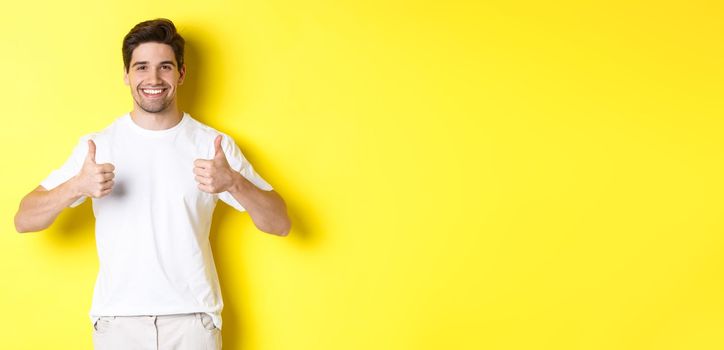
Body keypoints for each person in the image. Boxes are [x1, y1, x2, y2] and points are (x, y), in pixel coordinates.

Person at [13, 18, 291, 349]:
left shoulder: (213, 145)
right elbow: (24, 219)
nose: (153, 79)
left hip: (193, 323)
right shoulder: (97, 146)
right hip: (118, 323)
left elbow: (280, 223)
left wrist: (232, 182)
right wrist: (76, 186)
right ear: (126, 76)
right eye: (141, 67)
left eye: (165, 67)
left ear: (181, 74)